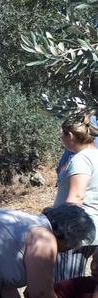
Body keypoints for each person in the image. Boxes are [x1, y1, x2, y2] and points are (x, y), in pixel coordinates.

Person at [54, 111, 98, 282]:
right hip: (91, 229)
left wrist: (61, 233)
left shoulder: (81, 159)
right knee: (76, 284)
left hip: (75, 233)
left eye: (62, 134)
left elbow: (77, 197)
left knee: (64, 285)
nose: (61, 138)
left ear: (70, 135)